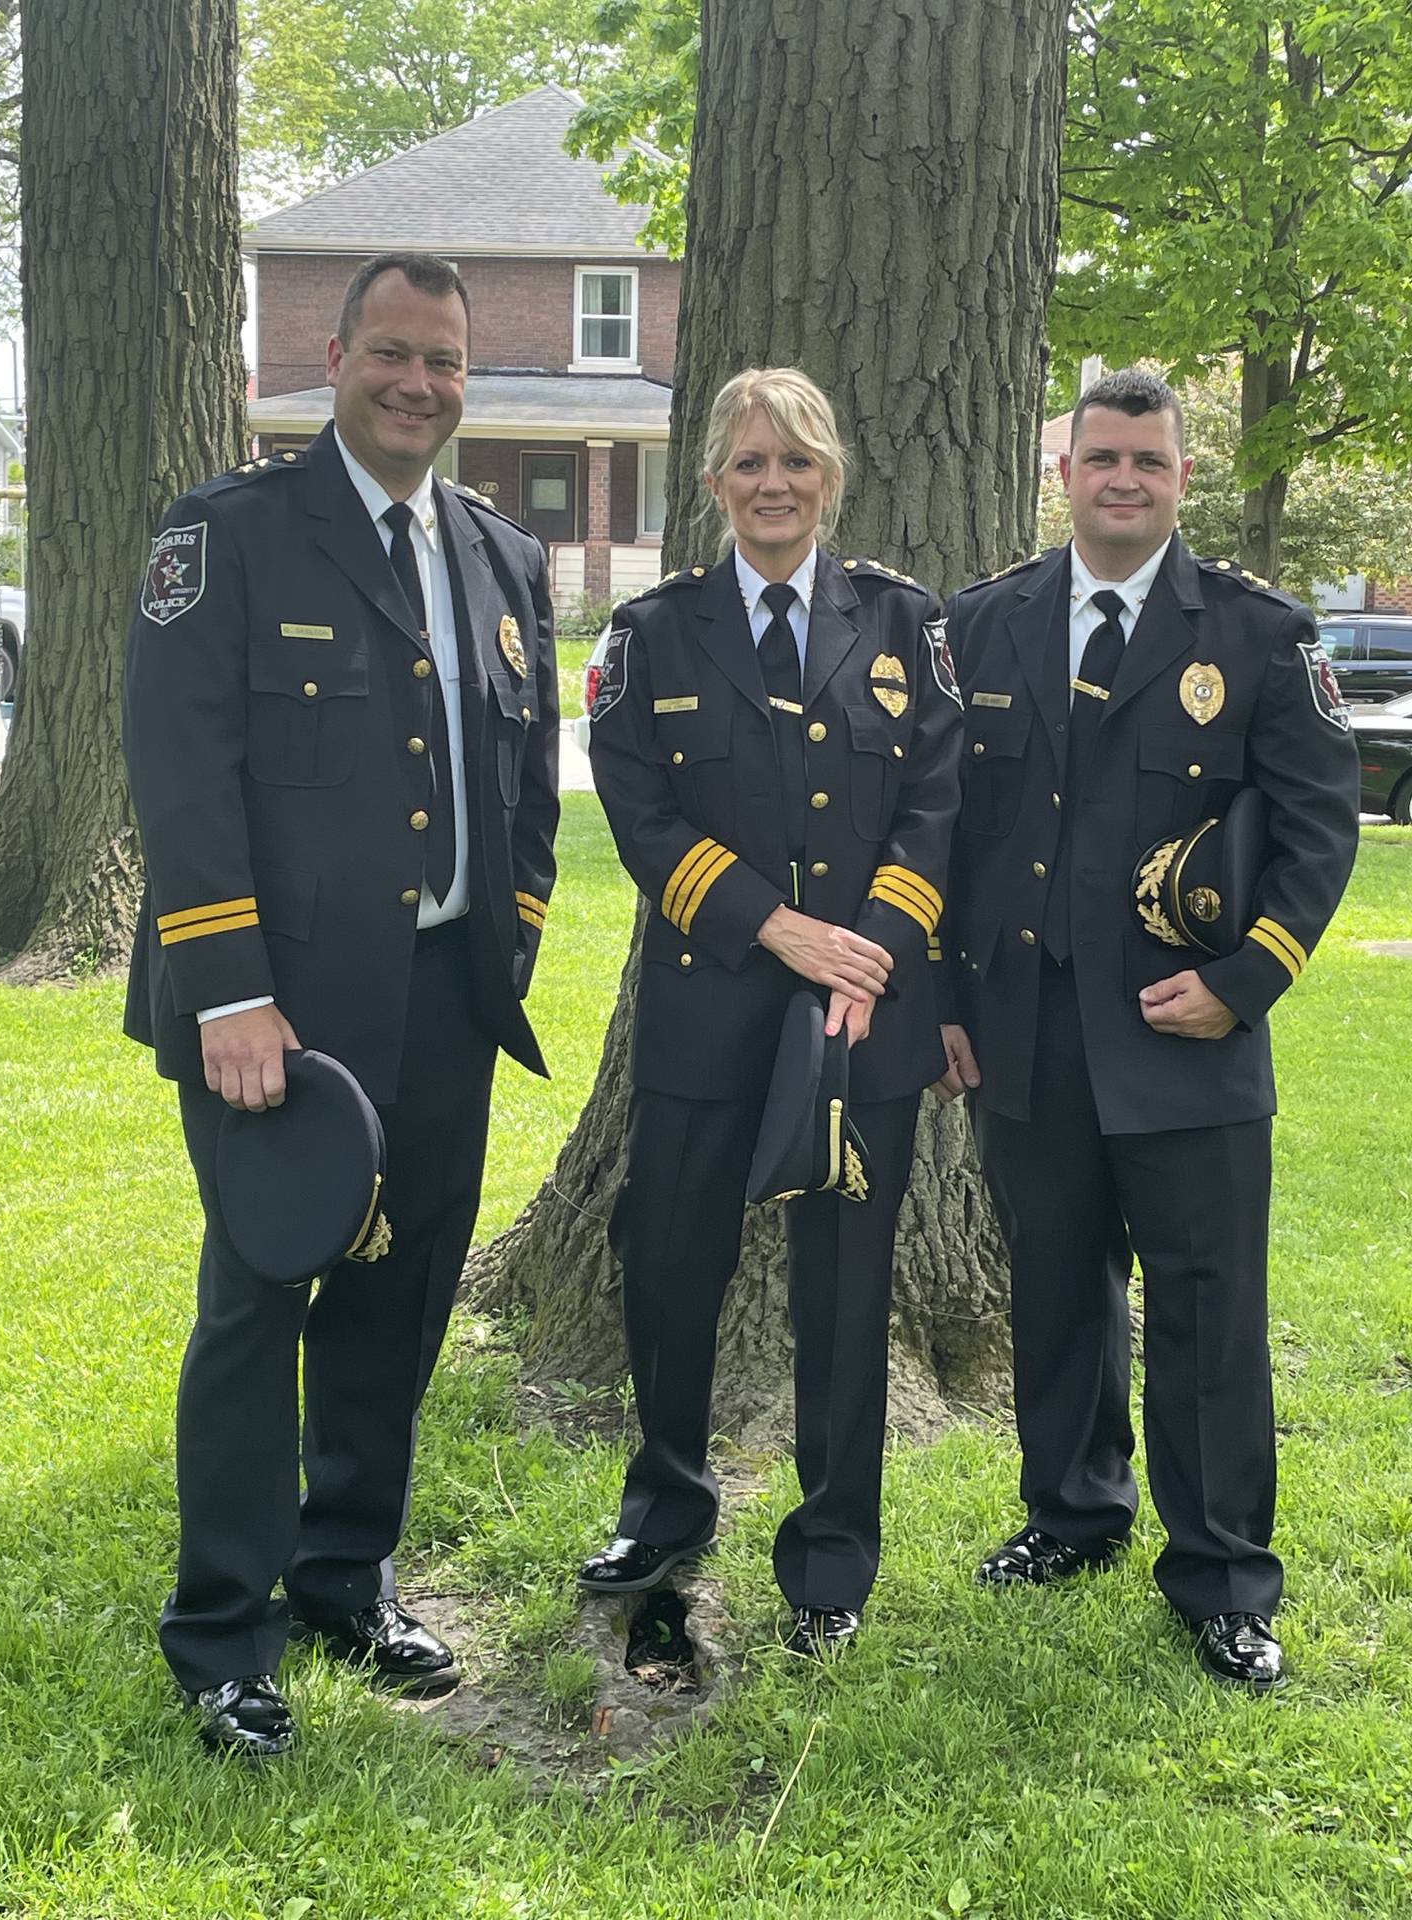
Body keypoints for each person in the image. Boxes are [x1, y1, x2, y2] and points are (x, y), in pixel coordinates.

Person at [122, 252, 559, 1758]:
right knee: (261, 1301)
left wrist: (506, 948)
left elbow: (524, 780)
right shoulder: (230, 533)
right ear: (332, 356)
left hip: (443, 1001)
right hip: (279, 1014)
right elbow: (179, 775)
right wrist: (228, 990)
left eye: (442, 362)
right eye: (391, 354)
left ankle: (343, 1582)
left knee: (400, 1296)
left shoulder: (501, 557)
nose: (418, 384)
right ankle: (223, 1632)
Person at [936, 368, 1359, 1690]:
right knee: (1057, 1297)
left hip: (1189, 1035)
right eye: (1103, 457)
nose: (1126, 478)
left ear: (1184, 479)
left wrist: (1250, 978)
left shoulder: (1259, 633)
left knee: (1205, 1310)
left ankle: (1224, 1577)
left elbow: (1320, 826)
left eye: (1151, 462)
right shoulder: (984, 624)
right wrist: (952, 1004)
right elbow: (945, 834)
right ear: (1062, 471)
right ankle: (1072, 1515)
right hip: (1030, 1034)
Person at [577, 368, 963, 1656]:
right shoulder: (655, 630)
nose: (774, 484)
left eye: (796, 462)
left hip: (863, 1024)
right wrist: (779, 930)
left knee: (849, 1289)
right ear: (712, 487)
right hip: (710, 1010)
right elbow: (638, 809)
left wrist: (871, 954)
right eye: (748, 464)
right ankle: (668, 1503)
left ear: (831, 479)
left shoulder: (904, 623)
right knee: (671, 1266)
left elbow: (939, 807)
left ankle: (834, 1551)